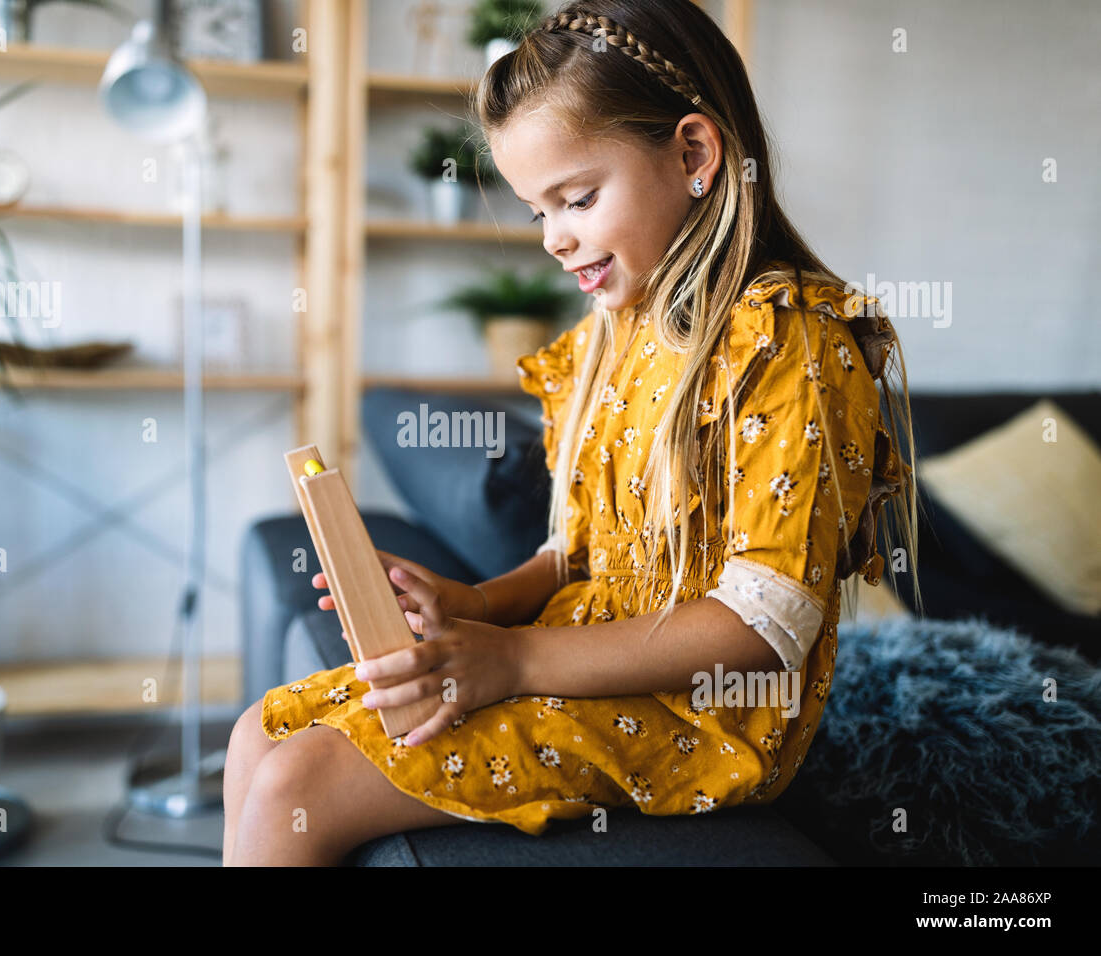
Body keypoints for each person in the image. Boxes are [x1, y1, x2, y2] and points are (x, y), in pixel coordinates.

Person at [223, 0, 920, 866]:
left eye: (578, 198)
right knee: (259, 734)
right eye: (536, 212)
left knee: (298, 786)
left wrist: (513, 661)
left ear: (694, 154)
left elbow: (761, 627)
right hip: (576, 662)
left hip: (703, 712)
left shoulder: (794, 346)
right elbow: (574, 557)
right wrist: (474, 606)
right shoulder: (610, 338)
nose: (555, 239)